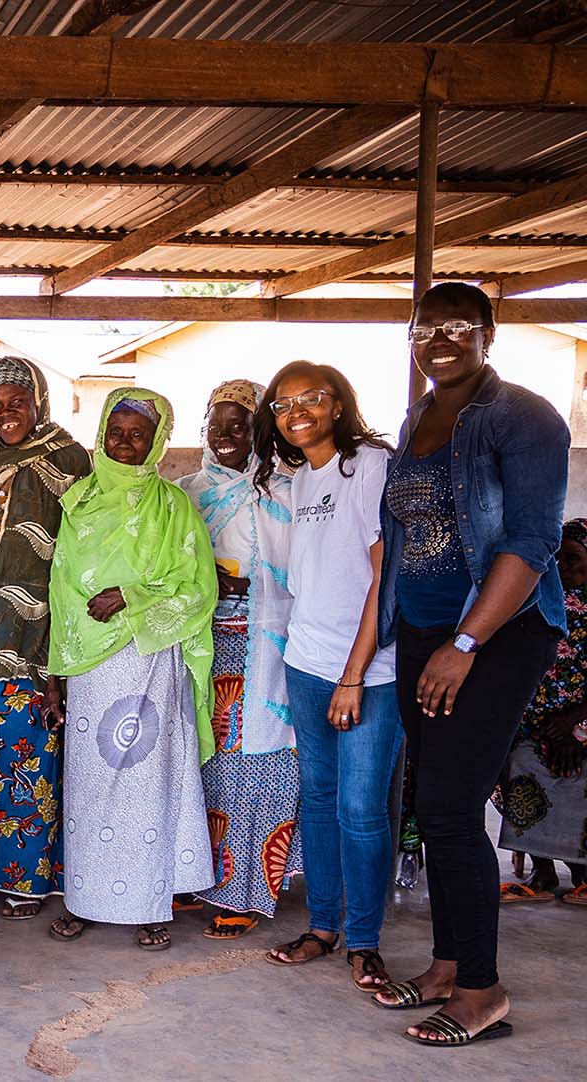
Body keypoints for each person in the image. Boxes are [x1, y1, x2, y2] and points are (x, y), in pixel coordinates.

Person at [369, 282, 570, 1047]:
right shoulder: (419, 416)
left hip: (497, 635)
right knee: (433, 805)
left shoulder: (523, 416)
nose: (441, 339)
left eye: (460, 326)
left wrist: (464, 645)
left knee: (452, 809)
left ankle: (483, 991)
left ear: (490, 332)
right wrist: (412, 637)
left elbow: (530, 543)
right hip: (425, 632)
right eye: (427, 327)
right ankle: (448, 966)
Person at [45, 388, 218, 951]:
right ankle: (86, 899)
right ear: (101, 433)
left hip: (151, 657)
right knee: (92, 788)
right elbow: (62, 588)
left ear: (157, 441)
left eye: (137, 434)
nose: (124, 442)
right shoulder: (80, 502)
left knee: (150, 781)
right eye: (115, 431)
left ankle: (150, 902)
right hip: (92, 664)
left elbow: (197, 587)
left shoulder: (175, 507)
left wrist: (133, 597)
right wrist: (57, 671)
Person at [256, 361, 401, 994]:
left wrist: (354, 674)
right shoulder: (301, 476)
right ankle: (322, 928)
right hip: (307, 661)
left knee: (361, 808)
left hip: (369, 672)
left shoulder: (368, 466)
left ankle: (365, 942)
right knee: (316, 799)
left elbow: (383, 576)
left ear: (338, 403)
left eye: (311, 399)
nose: (297, 413)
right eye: (284, 405)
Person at [0, 356, 91, 918]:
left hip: (34, 628)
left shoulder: (68, 458)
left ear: (39, 402)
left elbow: (78, 555)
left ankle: (26, 879)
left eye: (18, 402)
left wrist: (58, 660)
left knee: (27, 756)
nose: (7, 414)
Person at [177, 380, 302, 938]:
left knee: (254, 763)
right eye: (216, 423)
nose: (226, 435)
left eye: (241, 424)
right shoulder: (185, 493)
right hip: (200, 642)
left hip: (270, 642)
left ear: (263, 430)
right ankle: (193, 873)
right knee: (198, 762)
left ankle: (246, 888)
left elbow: (310, 564)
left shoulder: (286, 491)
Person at [496, 518, 587, 907]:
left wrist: (570, 725)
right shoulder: (536, 598)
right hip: (533, 719)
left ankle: (583, 873)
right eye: (556, 560)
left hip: (578, 719)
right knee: (513, 760)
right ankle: (543, 870)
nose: (563, 569)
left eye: (573, 560)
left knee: (578, 766)